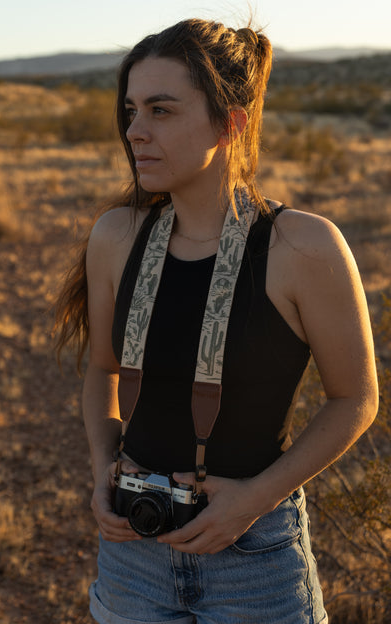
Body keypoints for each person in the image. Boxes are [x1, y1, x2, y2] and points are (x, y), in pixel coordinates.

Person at [54, 18, 378, 624]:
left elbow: (355, 399)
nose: (134, 132)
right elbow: (102, 369)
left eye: (161, 110)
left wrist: (252, 501)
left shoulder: (303, 248)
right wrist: (104, 469)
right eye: (130, 110)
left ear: (232, 121)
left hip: (254, 558)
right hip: (133, 548)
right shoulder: (116, 237)